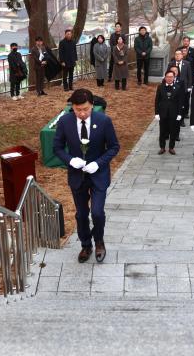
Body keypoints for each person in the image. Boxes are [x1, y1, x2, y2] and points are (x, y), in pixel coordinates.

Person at [53, 89, 120, 263]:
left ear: (92, 105)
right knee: (81, 214)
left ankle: (99, 241)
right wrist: (70, 160)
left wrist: (98, 163)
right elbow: (57, 147)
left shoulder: (104, 121)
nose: (82, 113)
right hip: (77, 176)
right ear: (72, 107)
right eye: (78, 110)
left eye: (85, 109)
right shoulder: (65, 121)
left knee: (97, 213)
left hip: (98, 174)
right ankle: (85, 245)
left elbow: (114, 147)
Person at [155, 71, 183, 155]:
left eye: (171, 77)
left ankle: (171, 147)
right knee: (162, 131)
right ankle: (162, 147)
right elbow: (157, 101)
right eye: (168, 77)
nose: (169, 78)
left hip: (173, 113)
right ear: (165, 77)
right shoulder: (160, 87)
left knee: (173, 131)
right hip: (163, 113)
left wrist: (179, 113)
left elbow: (180, 102)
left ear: (174, 78)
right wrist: (156, 113)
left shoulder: (178, 87)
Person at [168, 49, 193, 124]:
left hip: (184, 87)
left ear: (182, 55)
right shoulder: (171, 64)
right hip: (174, 86)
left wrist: (189, 86)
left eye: (179, 54)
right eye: (176, 54)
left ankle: (182, 119)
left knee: (183, 103)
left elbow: (189, 76)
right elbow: (168, 74)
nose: (177, 56)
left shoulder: (187, 64)